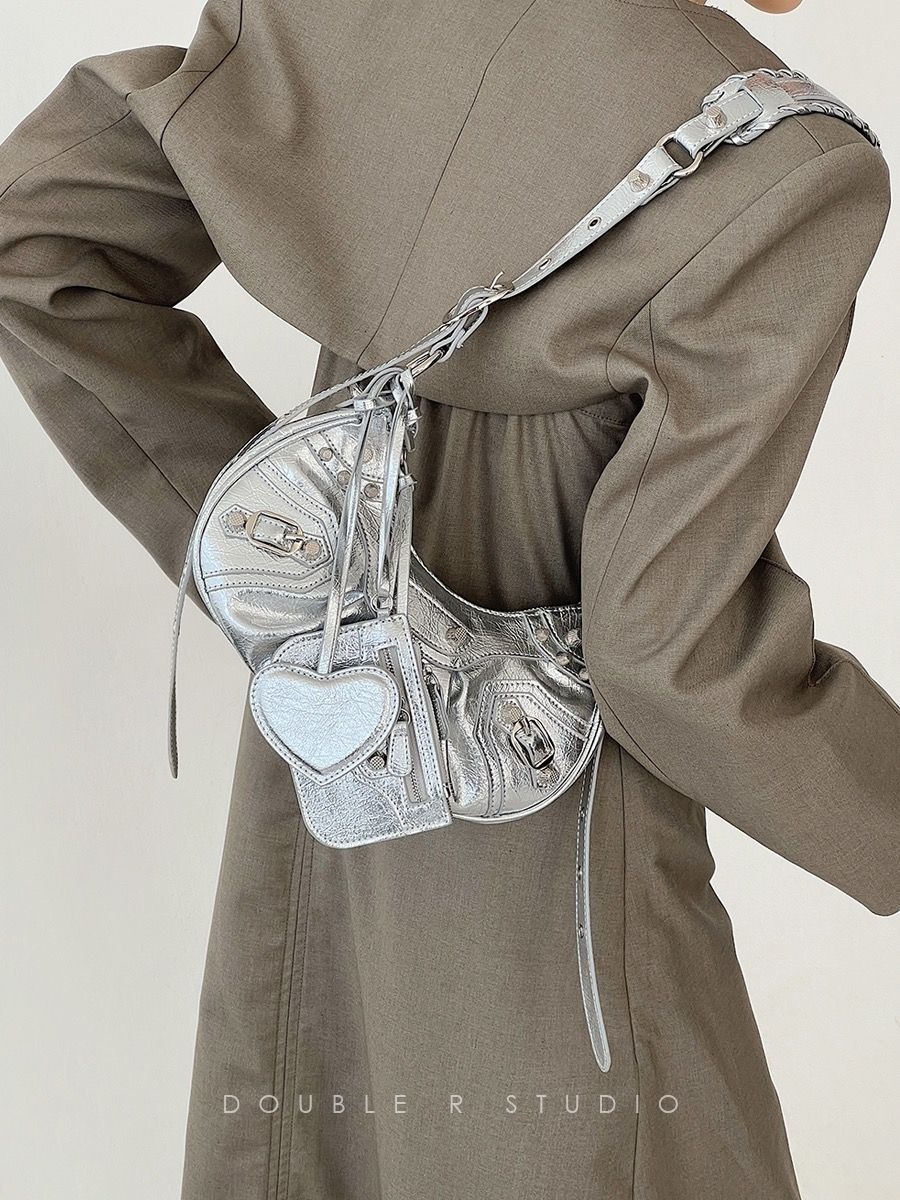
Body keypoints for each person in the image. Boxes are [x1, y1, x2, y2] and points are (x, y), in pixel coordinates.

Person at [0, 1, 896, 1197]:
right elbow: (669, 659)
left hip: (345, 771)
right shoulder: (783, 175)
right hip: (558, 854)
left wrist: (307, 584)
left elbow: (35, 237)